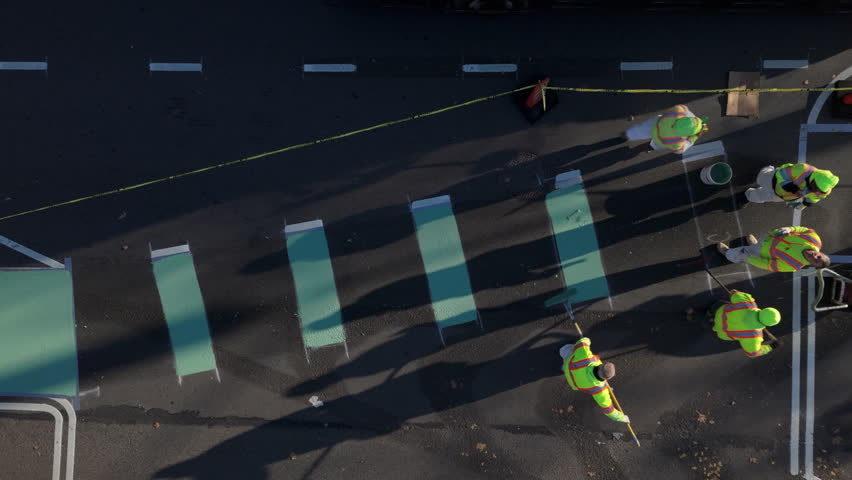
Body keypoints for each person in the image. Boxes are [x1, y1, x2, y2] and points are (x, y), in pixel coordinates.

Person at [559, 337, 629, 423]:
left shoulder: (587, 357)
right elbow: (610, 412)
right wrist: (623, 418)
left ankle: (562, 355)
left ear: (602, 365)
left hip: (569, 366)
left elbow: (582, 341)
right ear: (606, 379)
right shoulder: (600, 391)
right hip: (574, 383)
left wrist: (587, 340)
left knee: (569, 350)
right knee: (588, 387)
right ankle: (564, 370)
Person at [718, 227, 830, 272]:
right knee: (755, 245)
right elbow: (805, 229)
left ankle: (728, 254)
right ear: (821, 252)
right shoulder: (815, 241)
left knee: (743, 253)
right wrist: (790, 228)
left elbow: (767, 264)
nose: (815, 256)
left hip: (761, 251)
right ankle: (754, 244)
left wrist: (748, 259)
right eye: (819, 256)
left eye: (815, 261)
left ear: (811, 264)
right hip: (769, 236)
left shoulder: (793, 265)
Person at [707, 290, 781, 357]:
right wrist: (770, 347)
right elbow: (753, 353)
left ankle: (709, 312)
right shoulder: (754, 337)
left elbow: (734, 293)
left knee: (721, 304)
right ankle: (706, 320)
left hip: (720, 312)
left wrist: (744, 297)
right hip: (720, 330)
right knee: (708, 324)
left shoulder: (748, 304)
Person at [745, 163, 840, 208]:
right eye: (815, 187)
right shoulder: (803, 169)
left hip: (781, 196)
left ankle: (748, 195)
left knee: (760, 197)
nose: (815, 191)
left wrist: (804, 204)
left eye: (819, 190)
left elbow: (814, 198)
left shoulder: (823, 192)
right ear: (814, 179)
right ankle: (767, 168)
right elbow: (780, 175)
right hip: (773, 180)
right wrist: (794, 190)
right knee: (761, 177)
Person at [624, 104, 708, 154]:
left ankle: (629, 134)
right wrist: (694, 137)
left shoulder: (677, 112)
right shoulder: (677, 142)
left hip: (656, 124)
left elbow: (684, 108)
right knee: (657, 145)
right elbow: (679, 150)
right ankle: (650, 147)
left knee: (641, 130)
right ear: (686, 135)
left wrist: (693, 119)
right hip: (660, 139)